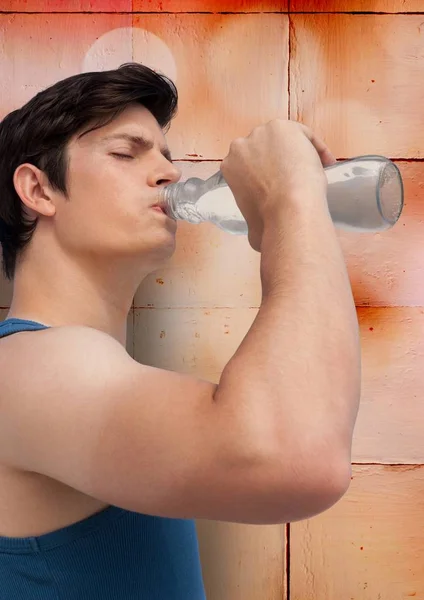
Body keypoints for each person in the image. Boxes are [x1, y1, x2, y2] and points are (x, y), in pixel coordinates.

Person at [0, 63, 360, 599]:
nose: (168, 173)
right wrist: (291, 199)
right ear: (39, 189)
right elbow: (294, 456)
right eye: (126, 153)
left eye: (167, 157)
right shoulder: (29, 368)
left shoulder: (84, 370)